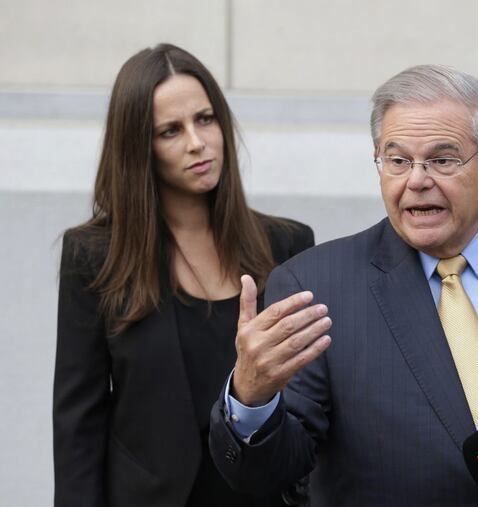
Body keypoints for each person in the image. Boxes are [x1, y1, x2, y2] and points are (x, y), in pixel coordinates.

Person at [209, 65, 478, 505]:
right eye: (398, 160)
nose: (417, 180)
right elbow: (275, 473)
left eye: (443, 159)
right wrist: (251, 397)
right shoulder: (316, 287)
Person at [53, 43, 313, 507]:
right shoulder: (95, 254)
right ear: (139, 147)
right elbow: (79, 422)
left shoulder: (286, 244)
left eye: (206, 119)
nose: (197, 142)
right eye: (170, 130)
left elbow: (309, 403)